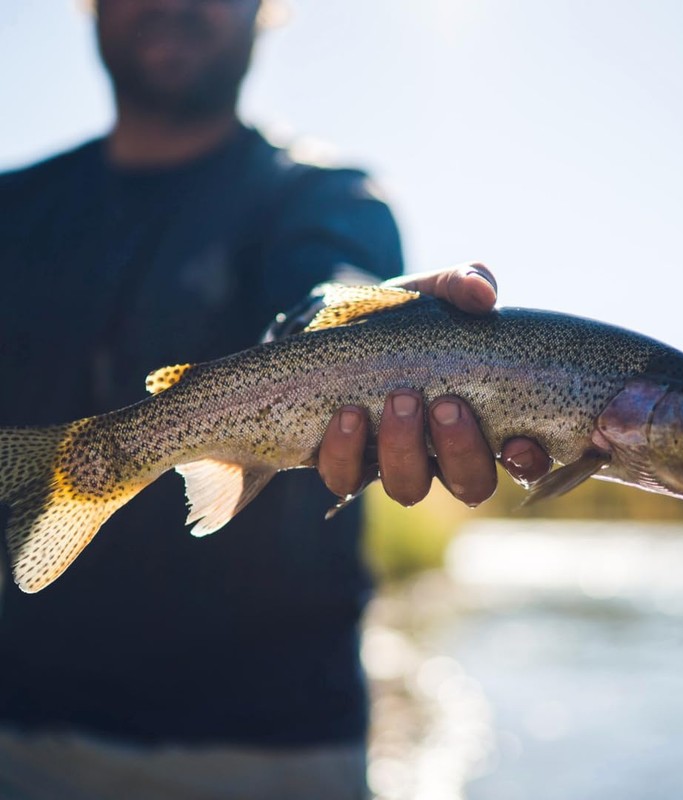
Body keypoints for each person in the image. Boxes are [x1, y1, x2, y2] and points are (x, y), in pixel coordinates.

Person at [0, 1, 549, 797]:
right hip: (20, 737)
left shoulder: (329, 200)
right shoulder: (14, 214)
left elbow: (329, 291)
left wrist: (357, 330)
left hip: (277, 750)